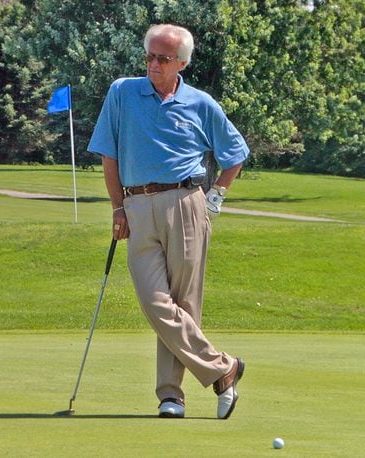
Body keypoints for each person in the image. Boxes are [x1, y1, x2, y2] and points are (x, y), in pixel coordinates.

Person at [87, 24, 249, 420]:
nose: (154, 65)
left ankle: (170, 396)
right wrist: (116, 207)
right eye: (150, 57)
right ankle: (222, 368)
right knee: (155, 301)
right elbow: (109, 155)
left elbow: (235, 153)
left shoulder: (200, 103)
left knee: (184, 303)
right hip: (136, 204)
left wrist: (217, 195)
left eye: (163, 58)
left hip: (187, 202)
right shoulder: (123, 92)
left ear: (182, 63)